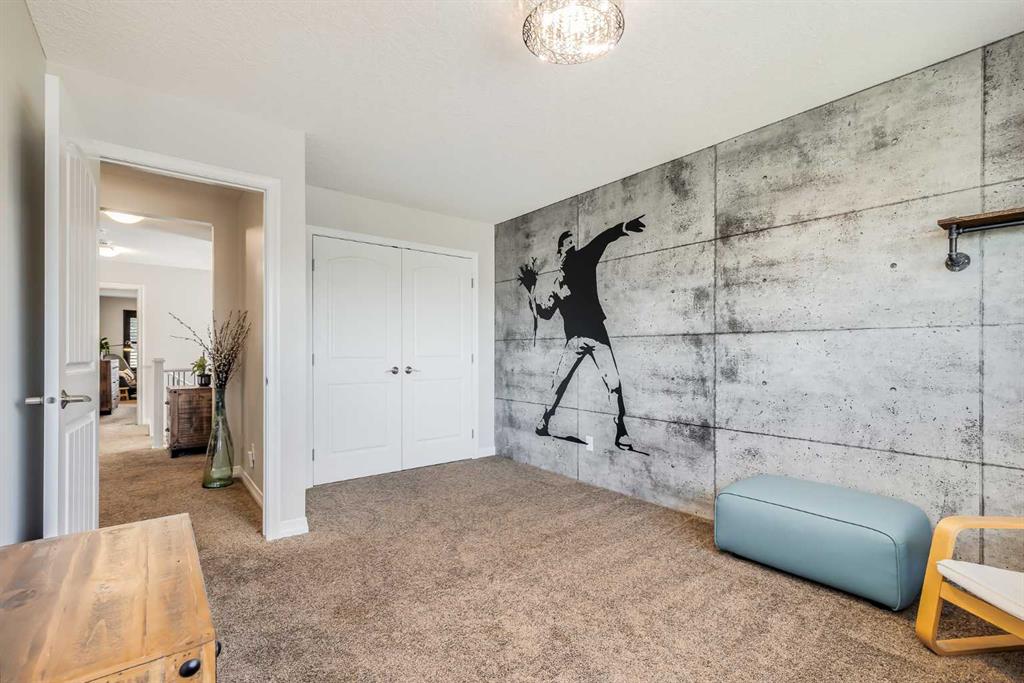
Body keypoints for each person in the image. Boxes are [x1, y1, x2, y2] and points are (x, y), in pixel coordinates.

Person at [517, 215, 646, 451]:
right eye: (566, 244)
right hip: (574, 341)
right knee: (558, 384)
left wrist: (624, 227)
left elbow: (603, 239)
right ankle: (544, 420)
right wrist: (531, 292)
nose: (571, 246)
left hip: (597, 335)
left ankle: (621, 430)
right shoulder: (557, 285)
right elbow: (544, 314)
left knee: (613, 383)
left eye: (572, 244)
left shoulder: (583, 260)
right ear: (559, 252)